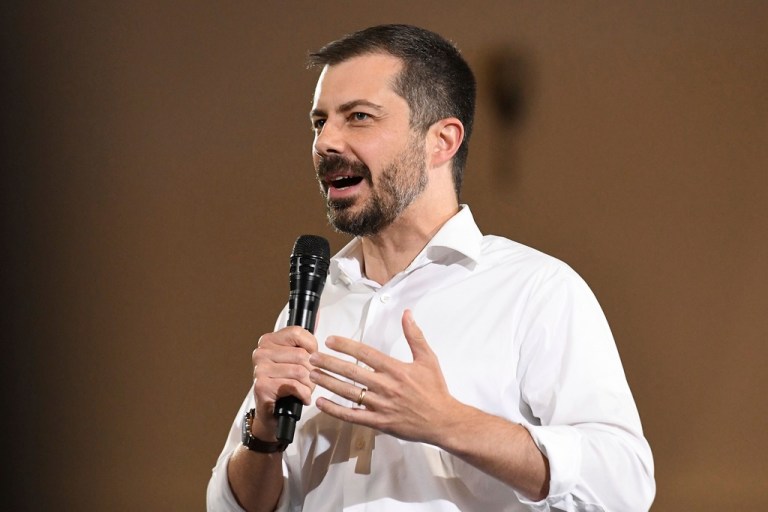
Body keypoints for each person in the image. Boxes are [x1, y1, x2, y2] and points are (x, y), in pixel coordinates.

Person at [207, 24, 655, 511]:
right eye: (320, 122)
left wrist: (447, 421)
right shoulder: (315, 302)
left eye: (358, 117)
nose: (325, 142)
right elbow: (230, 506)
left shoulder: (535, 289)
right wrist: (264, 435)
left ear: (441, 141)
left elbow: (623, 486)